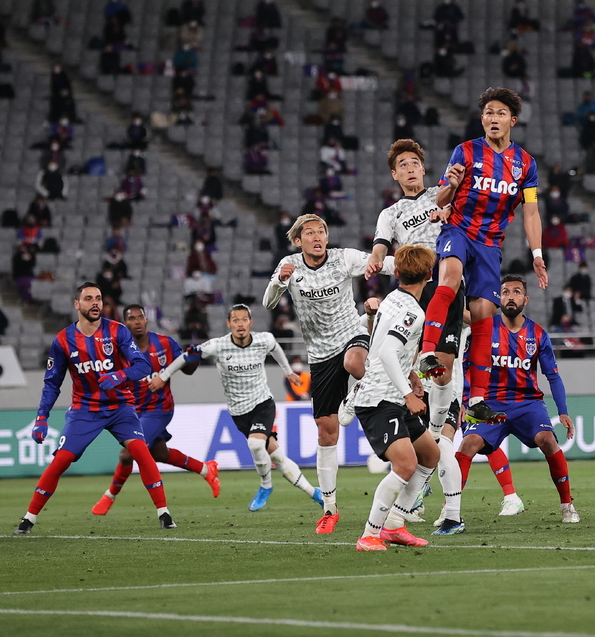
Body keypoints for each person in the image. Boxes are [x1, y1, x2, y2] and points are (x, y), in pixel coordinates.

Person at [415, 88, 547, 427]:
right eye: (488, 112)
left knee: (484, 315)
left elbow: (531, 212)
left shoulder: (526, 165)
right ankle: (427, 354)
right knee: (449, 280)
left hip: (489, 244)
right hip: (458, 230)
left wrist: (536, 253)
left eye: (500, 113)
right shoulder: (465, 151)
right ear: (482, 118)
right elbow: (441, 199)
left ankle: (476, 400)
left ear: (512, 120)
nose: (493, 118)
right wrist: (451, 185)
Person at [263, 214, 395, 532]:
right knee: (326, 432)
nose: (318, 236)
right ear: (299, 241)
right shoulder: (290, 266)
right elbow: (268, 303)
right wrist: (279, 281)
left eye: (321, 231)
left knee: (355, 363)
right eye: (310, 233)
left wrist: (415, 265)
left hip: (352, 333)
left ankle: (356, 395)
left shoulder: (342, 258)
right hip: (320, 354)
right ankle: (330, 508)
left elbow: (381, 263)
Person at [364, 139, 474, 520]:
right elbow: (380, 249)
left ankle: (440, 426)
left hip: (445, 280)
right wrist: (375, 261)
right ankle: (427, 435)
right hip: (414, 288)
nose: (410, 168)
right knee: (407, 364)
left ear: (423, 169)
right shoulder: (391, 213)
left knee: (442, 370)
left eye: (415, 162)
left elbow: (459, 208)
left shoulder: (441, 194)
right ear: (394, 174)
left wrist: (453, 187)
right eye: (403, 165)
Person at [14, 282, 171, 534]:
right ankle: (28, 518)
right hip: (85, 410)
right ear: (77, 304)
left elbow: (142, 365)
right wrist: (41, 417)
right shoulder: (63, 339)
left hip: (120, 407)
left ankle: (164, 513)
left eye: (98, 298)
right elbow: (52, 383)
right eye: (88, 298)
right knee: (61, 460)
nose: (95, 303)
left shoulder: (117, 331)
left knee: (141, 451)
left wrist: (119, 376)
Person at [158, 304, 321, 512]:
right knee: (277, 457)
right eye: (235, 320)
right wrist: (163, 376)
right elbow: (186, 357)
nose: (240, 324)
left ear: (251, 322)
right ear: (229, 324)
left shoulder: (264, 340)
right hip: (239, 412)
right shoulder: (217, 345)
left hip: (262, 403)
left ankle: (266, 485)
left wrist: (288, 372)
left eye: (244, 319)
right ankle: (314, 493)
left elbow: (275, 347)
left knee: (255, 444)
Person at [354, 245, 456, 550]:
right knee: (406, 464)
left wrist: (410, 373)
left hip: (392, 395)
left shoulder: (392, 299)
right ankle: (370, 534)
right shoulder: (414, 312)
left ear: (397, 273)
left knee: (430, 455)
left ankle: (395, 524)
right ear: (429, 275)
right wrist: (408, 394)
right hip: (379, 399)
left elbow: (382, 347)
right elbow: (387, 351)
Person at [455, 275, 579, 524]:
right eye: (505, 292)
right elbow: (466, 368)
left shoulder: (538, 334)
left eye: (516, 292)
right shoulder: (484, 330)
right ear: (498, 298)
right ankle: (450, 511)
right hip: (490, 401)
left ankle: (567, 505)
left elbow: (553, 376)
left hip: (527, 403)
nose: (510, 296)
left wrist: (563, 410)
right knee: (468, 444)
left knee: (548, 440)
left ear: (525, 299)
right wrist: (464, 401)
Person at [91, 305, 221, 515]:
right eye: (132, 318)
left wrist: (193, 358)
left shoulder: (164, 343)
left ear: (146, 320)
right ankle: (206, 469)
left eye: (140, 317)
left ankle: (110, 496)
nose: (137, 321)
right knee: (160, 453)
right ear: (124, 324)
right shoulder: (117, 351)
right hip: (134, 411)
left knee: (127, 454)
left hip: (159, 409)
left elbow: (188, 370)